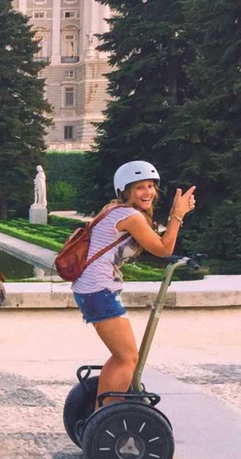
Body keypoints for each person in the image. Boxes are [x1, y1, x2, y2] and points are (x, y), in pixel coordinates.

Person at [72, 161, 195, 410]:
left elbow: (155, 240)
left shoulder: (116, 211)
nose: (147, 192)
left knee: (122, 357)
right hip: (99, 291)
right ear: (125, 191)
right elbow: (163, 248)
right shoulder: (128, 215)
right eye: (140, 187)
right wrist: (177, 214)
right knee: (128, 358)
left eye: (150, 186)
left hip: (93, 290)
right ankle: (106, 415)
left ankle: (102, 412)